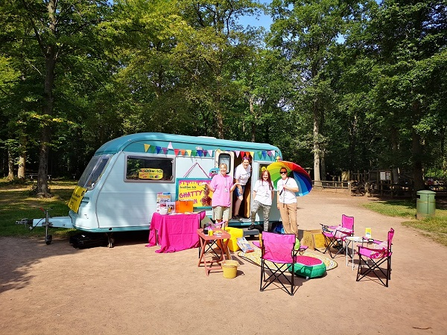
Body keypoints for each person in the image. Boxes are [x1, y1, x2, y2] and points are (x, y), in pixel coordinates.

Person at [208, 163, 239, 227]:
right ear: (219, 169)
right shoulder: (216, 177)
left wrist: (235, 185)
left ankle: (224, 236)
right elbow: (212, 189)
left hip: (226, 202)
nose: (223, 169)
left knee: (226, 222)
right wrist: (207, 185)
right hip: (218, 202)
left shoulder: (229, 178)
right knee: (219, 221)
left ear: (226, 169)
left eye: (224, 168)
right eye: (221, 168)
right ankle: (219, 236)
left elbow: (230, 190)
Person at [276, 167, 299, 236]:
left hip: (291, 202)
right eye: (281, 172)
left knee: (293, 220)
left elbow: (296, 189)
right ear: (280, 174)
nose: (283, 173)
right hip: (282, 202)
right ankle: (287, 235)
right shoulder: (279, 182)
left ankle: (294, 235)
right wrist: (278, 203)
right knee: (285, 220)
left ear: (287, 173)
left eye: (284, 172)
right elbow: (278, 192)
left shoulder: (291, 180)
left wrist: (287, 188)